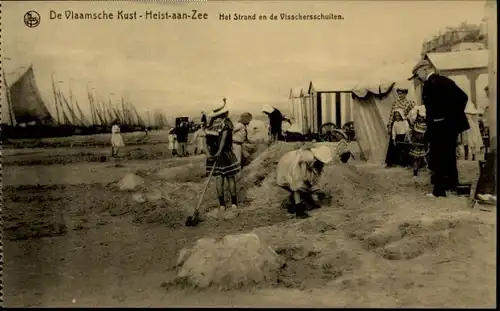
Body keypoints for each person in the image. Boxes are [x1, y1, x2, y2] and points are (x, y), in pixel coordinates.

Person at [408, 59, 469, 197]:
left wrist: (443, 118)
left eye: (418, 75)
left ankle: (439, 191)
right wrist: (447, 119)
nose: (418, 79)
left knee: (438, 157)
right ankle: (451, 186)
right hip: (444, 127)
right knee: (447, 157)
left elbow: (461, 98)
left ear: (425, 69)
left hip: (442, 128)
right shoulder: (438, 82)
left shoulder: (435, 82)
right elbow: (458, 99)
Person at [276, 145, 338, 219]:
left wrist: (314, 189)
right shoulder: (306, 158)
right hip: (287, 166)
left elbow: (313, 177)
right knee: (298, 187)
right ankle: (299, 211)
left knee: (302, 187)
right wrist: (308, 191)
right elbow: (297, 180)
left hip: (291, 164)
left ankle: (294, 204)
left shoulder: (314, 161)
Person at [204, 98, 241, 212]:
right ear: (224, 112)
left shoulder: (209, 125)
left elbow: (205, 143)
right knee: (230, 178)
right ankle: (234, 203)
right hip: (224, 153)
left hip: (213, 154)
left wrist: (209, 154)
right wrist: (220, 152)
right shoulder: (226, 123)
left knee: (219, 178)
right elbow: (224, 140)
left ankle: (222, 205)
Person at [385, 87, 416, 167]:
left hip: (404, 124)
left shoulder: (409, 103)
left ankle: (406, 162)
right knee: (393, 143)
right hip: (396, 124)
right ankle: (391, 162)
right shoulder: (395, 102)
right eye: (398, 93)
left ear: (405, 94)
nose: (399, 95)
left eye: (401, 93)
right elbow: (392, 115)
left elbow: (412, 113)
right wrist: (389, 125)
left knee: (405, 143)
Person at [407, 106, 428, 179]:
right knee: (415, 158)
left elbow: (427, 135)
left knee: (426, 156)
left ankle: (428, 168)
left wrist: (426, 142)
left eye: (421, 117)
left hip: (423, 144)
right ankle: (415, 173)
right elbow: (410, 132)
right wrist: (410, 140)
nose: (420, 118)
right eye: (419, 116)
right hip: (416, 144)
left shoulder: (426, 126)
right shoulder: (415, 125)